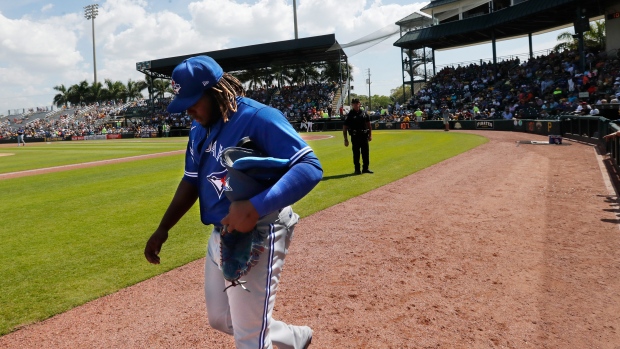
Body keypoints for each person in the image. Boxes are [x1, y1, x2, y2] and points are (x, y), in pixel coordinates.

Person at [144, 56, 321, 349]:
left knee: (249, 338)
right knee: (221, 318)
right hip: (221, 233)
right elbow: (190, 181)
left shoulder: (258, 117)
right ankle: (294, 337)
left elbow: (310, 166)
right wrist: (163, 228)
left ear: (215, 91)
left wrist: (256, 206)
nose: (189, 111)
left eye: (193, 102)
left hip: (261, 230)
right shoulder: (199, 128)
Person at [343, 98, 373, 174]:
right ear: (352, 105)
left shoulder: (364, 113)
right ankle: (357, 169)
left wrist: (370, 135)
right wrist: (345, 139)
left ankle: (365, 168)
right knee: (356, 154)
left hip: (364, 136)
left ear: (359, 104)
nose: (356, 105)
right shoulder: (350, 115)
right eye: (354, 103)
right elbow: (345, 128)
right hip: (355, 136)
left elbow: (369, 125)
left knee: (365, 153)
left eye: (357, 103)